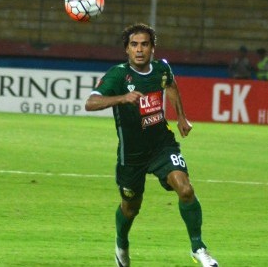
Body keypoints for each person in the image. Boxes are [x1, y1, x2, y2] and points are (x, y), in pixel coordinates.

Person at [85, 23, 218, 267]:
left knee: (186, 189)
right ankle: (121, 245)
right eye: (134, 45)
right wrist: (121, 98)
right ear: (126, 49)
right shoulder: (118, 75)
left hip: (162, 146)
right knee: (130, 208)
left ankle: (199, 248)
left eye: (144, 44)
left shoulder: (161, 69)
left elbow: (171, 86)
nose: (139, 50)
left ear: (152, 48)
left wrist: (180, 116)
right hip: (132, 155)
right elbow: (90, 103)